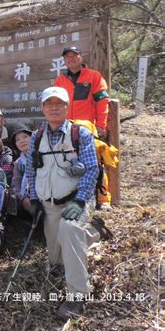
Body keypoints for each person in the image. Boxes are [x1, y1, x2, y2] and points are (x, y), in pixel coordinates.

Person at [25, 86, 102, 321]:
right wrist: (35, 201)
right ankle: (94, 232)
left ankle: (77, 296)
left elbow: (91, 170)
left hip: (74, 201)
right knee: (56, 259)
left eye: (59, 103)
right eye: (49, 104)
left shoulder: (81, 134)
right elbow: (30, 170)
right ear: (42, 108)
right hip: (49, 204)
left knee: (69, 230)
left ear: (67, 107)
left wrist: (80, 201)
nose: (54, 107)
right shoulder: (37, 137)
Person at [54, 46, 112, 210]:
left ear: (81, 57)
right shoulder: (60, 80)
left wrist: (101, 125)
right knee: (66, 162)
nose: (71, 59)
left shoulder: (94, 76)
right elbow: (55, 104)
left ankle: (103, 198)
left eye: (74, 55)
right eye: (67, 56)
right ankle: (72, 196)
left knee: (96, 163)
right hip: (65, 129)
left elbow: (102, 103)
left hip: (88, 128)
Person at [10, 122, 33, 218]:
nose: (22, 141)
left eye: (25, 137)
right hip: (26, 197)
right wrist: (23, 199)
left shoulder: (42, 157)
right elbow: (16, 184)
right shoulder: (18, 163)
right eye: (18, 139)